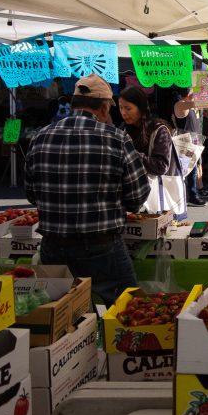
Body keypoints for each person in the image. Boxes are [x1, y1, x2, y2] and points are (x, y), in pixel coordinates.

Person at [25, 74, 149, 306]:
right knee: (126, 309)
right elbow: (137, 197)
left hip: (54, 246)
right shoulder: (116, 138)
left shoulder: (40, 137)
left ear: (74, 105)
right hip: (102, 246)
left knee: (63, 314)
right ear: (104, 108)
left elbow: (32, 194)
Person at [117, 86, 194, 207]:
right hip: (129, 197)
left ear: (141, 107)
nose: (123, 113)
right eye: (121, 108)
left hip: (155, 199)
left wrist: (131, 155)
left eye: (128, 108)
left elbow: (161, 166)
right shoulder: (123, 129)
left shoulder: (159, 130)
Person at [173, 88, 208, 201]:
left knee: (193, 169)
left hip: (193, 141)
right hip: (185, 142)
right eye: (193, 92)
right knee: (190, 170)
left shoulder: (190, 106)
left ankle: (192, 195)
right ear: (188, 93)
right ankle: (192, 196)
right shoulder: (180, 104)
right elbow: (197, 103)